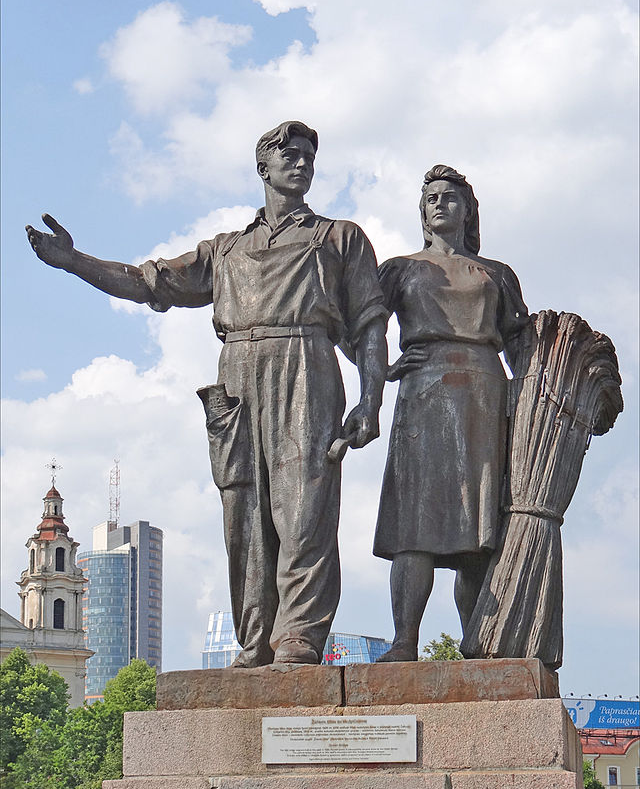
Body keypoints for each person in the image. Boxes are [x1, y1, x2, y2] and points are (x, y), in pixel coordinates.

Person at [26, 120, 388, 667]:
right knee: (243, 513)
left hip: (306, 366)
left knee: (305, 506)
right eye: (289, 154)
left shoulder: (341, 238)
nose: (302, 163)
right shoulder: (226, 251)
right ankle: (255, 637)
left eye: (309, 156)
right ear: (263, 167)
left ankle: (298, 634)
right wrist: (75, 262)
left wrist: (371, 398)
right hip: (238, 373)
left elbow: (369, 324)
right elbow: (148, 281)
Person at [373, 164, 529, 661]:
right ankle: (404, 640)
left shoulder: (496, 274)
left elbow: (522, 345)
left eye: (450, 197)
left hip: (485, 395)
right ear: (422, 212)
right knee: (413, 525)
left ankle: (478, 642)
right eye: (431, 198)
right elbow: (358, 324)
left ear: (468, 210)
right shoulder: (400, 269)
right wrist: (385, 369)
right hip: (423, 392)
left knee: (478, 533)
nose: (440, 204)